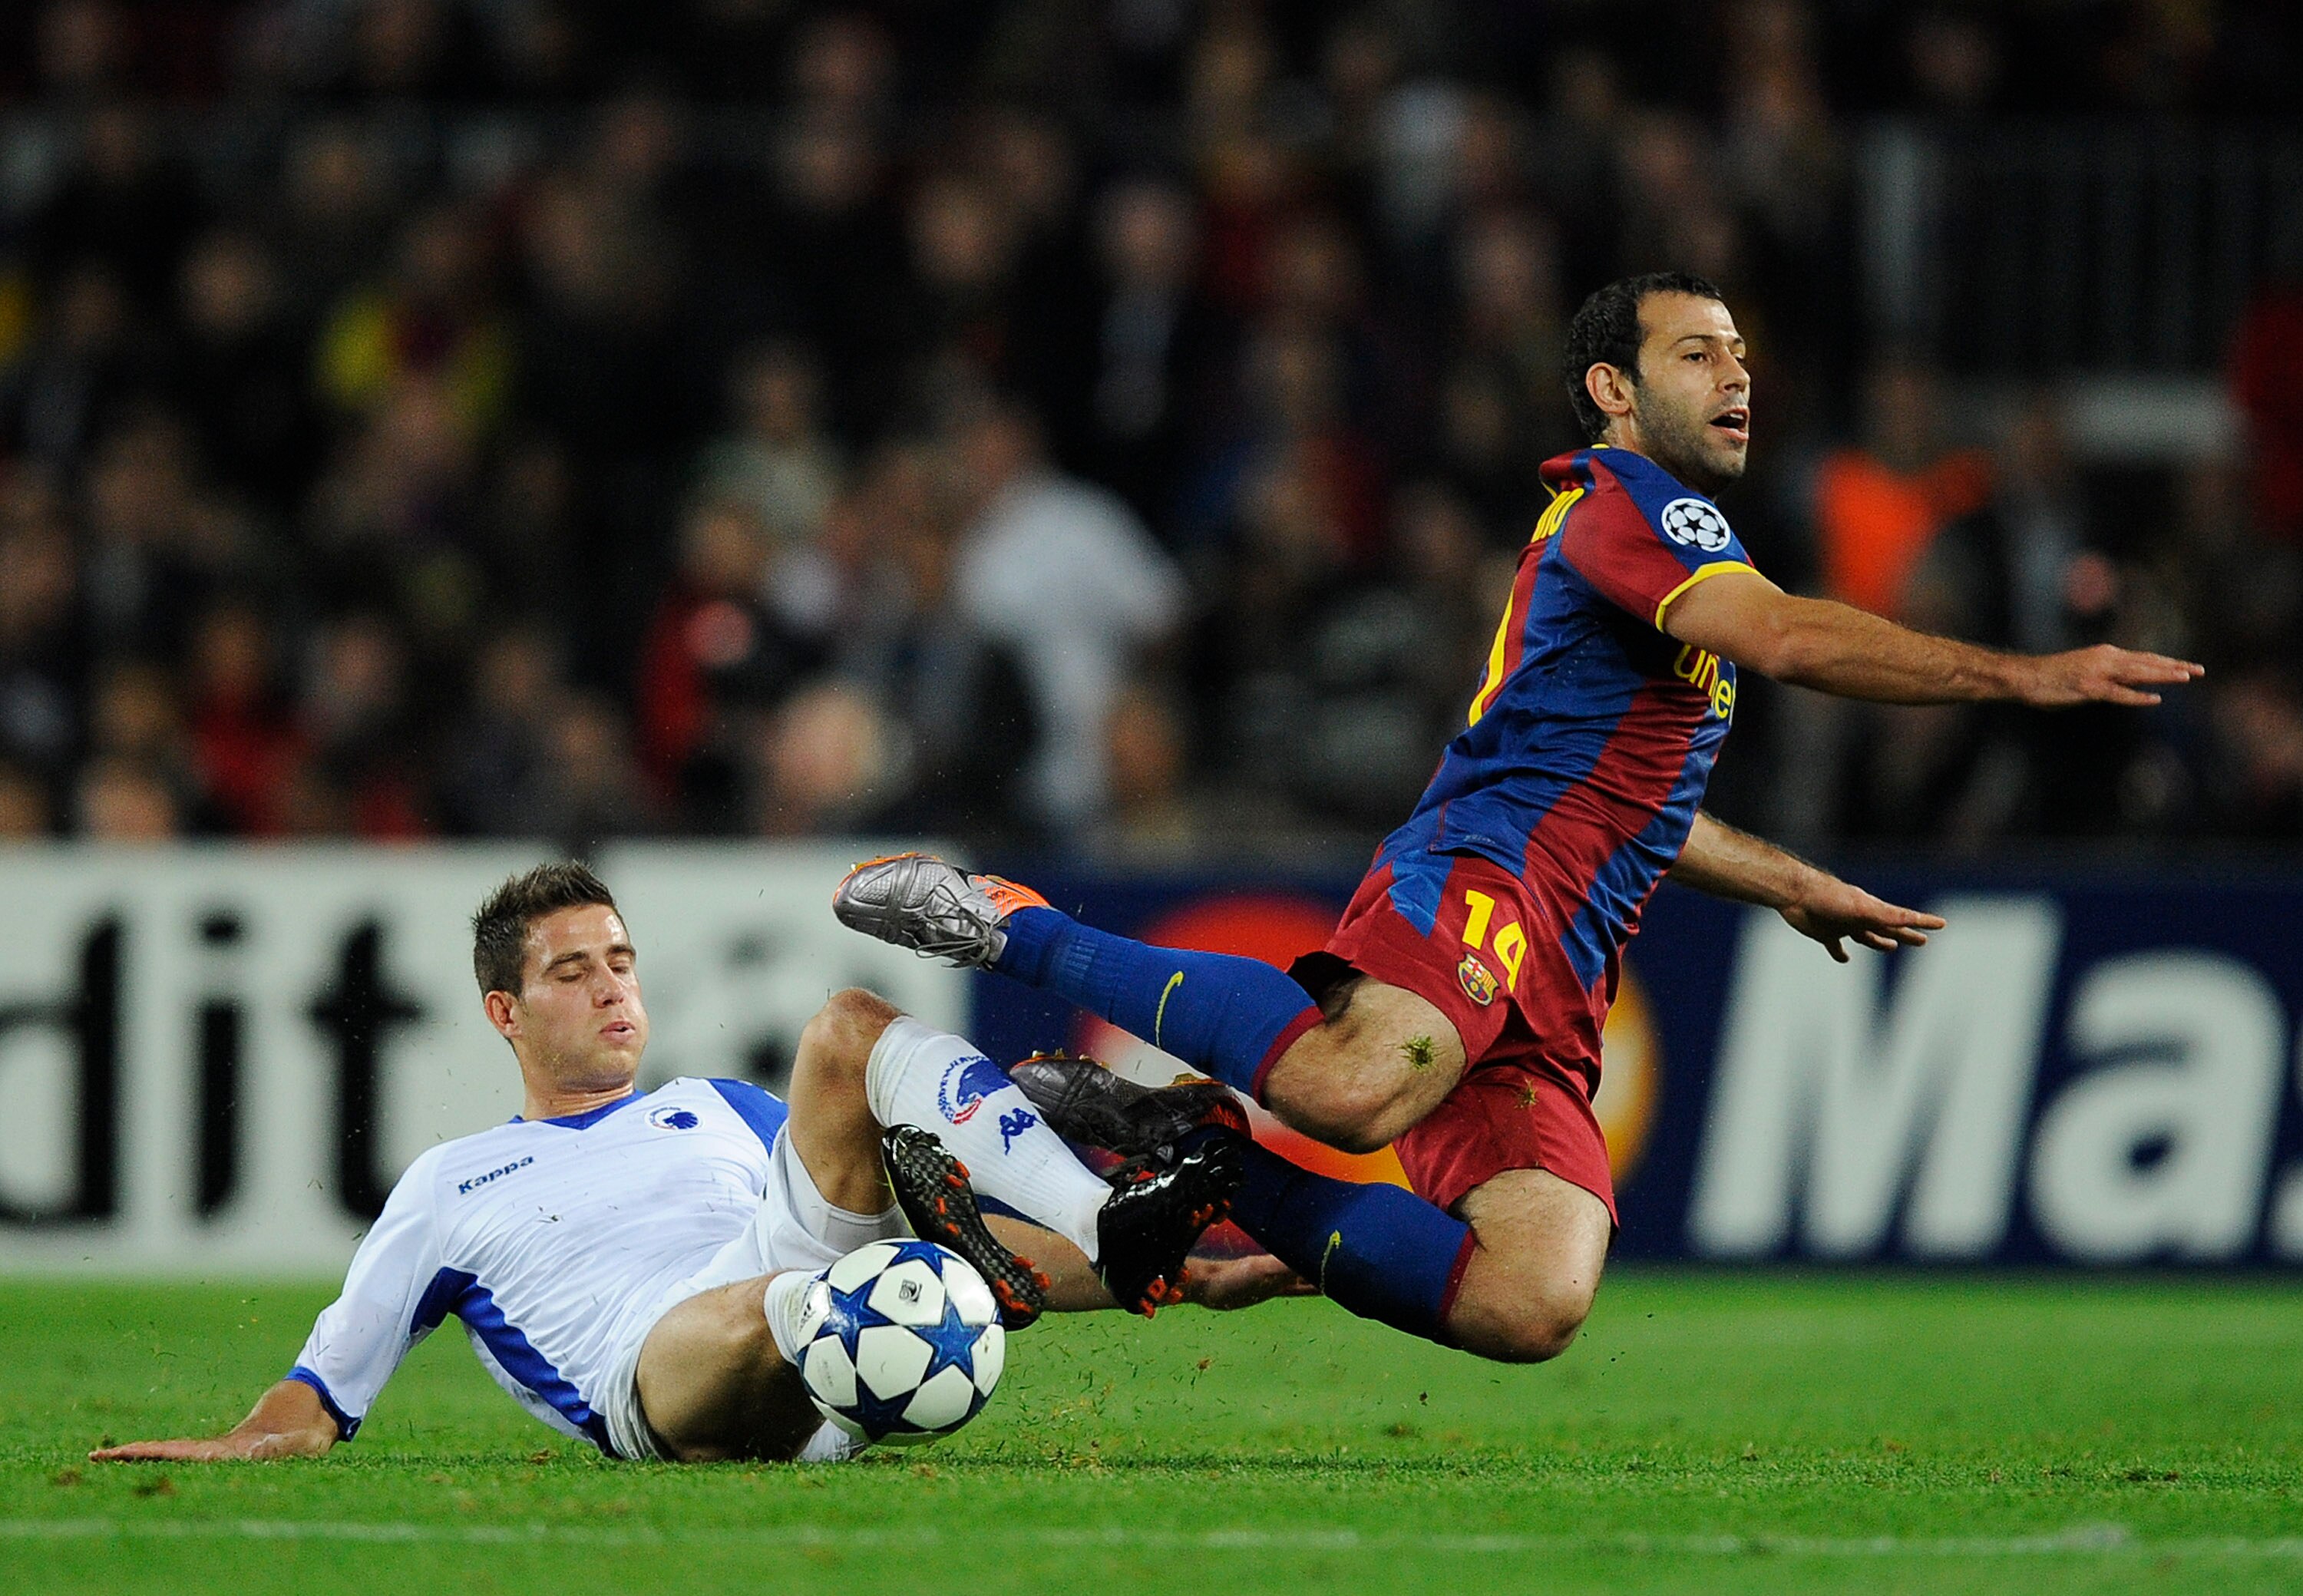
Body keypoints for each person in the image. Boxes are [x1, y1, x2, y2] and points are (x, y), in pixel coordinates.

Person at [834, 272, 2203, 1365]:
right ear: (1614, 388)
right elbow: (1782, 639)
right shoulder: (1631, 503)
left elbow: (1641, 808)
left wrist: (1789, 878)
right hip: (1485, 877)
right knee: (1353, 1088)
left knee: (1528, 1302)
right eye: (1695, 353)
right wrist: (2023, 673)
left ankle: (1207, 1164)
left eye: (1741, 353)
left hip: (1561, 970)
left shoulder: (1680, 549)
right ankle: (1007, 923)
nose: (1736, 375)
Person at [91, 864, 1276, 1466]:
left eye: (621, 958)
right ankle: (903, 1289)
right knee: (809, 1289)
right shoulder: (449, 1184)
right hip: (658, 1377)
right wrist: (248, 1438)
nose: (613, 985)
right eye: (574, 971)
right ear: (504, 1013)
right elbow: (321, 1394)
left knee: (850, 1030)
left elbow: (874, 1235)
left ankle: (1107, 1214)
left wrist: (1161, 1273)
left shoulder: (716, 1107)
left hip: (805, 1301)